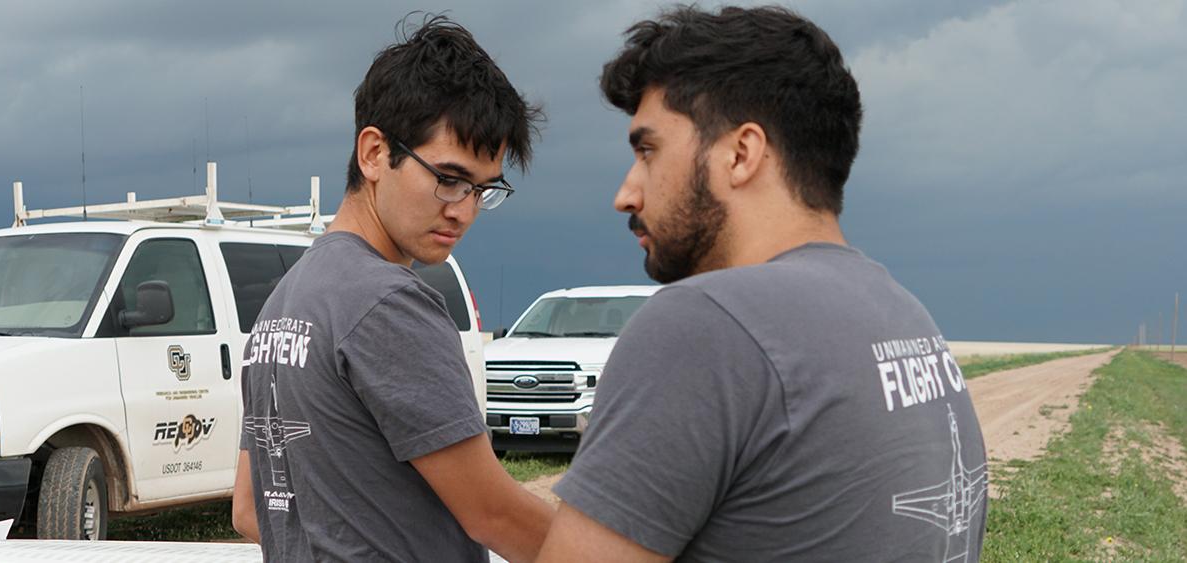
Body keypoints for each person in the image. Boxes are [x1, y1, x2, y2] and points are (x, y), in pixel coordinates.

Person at [537, 6, 987, 562]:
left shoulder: (703, 326)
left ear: (741, 154)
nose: (626, 195)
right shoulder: (905, 314)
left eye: (647, 150)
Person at [230, 14, 553, 563]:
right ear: (374, 153)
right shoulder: (387, 303)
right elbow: (495, 515)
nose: (464, 210)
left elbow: (249, 508)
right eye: (448, 179)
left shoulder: (285, 301)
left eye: (483, 189)